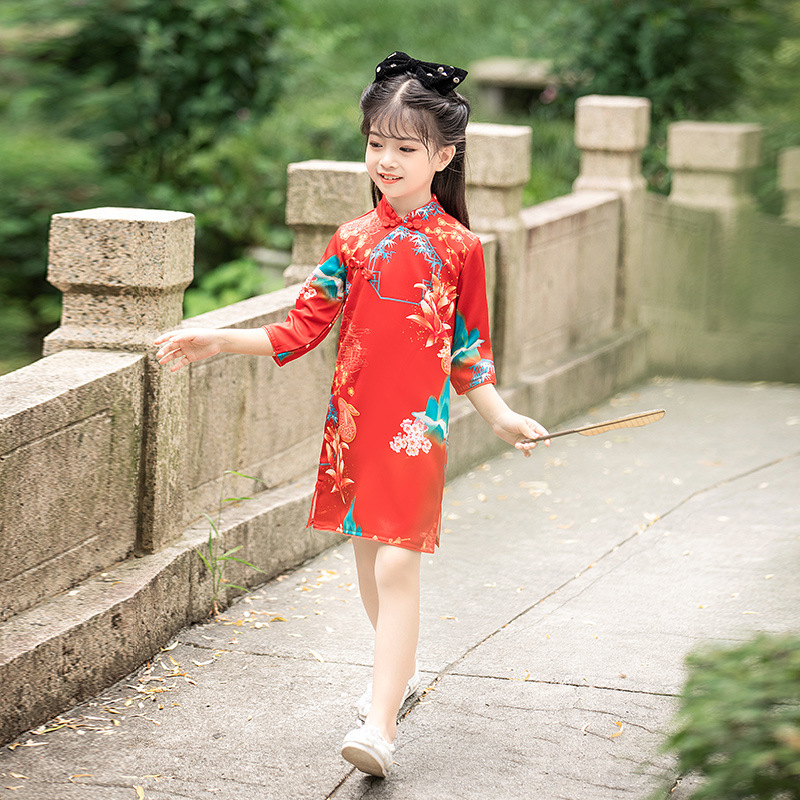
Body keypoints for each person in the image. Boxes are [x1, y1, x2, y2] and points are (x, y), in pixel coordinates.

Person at [155, 51, 549, 779]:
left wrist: (500, 417)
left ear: (443, 156)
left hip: (415, 431)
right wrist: (218, 340)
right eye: (376, 144)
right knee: (371, 568)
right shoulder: (352, 239)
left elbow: (469, 352)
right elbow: (299, 328)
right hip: (353, 431)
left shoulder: (461, 248)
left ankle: (380, 725)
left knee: (397, 564)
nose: (386, 160)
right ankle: (395, 675)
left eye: (405, 148)